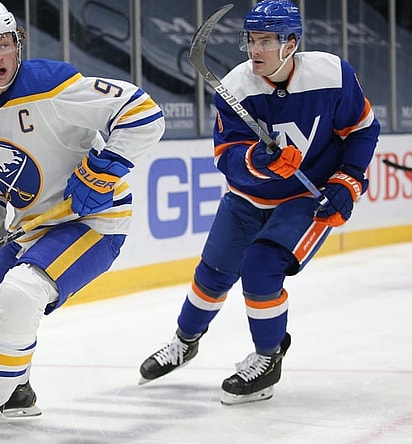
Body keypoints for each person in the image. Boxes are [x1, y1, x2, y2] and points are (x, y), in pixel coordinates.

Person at [138, 0, 379, 406]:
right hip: (248, 197)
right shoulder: (237, 85)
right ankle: (185, 341)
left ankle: (268, 358)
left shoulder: (333, 75)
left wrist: (348, 179)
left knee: (261, 266)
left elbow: (361, 129)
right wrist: (259, 161)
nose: (255, 50)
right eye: (251, 40)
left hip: (306, 196)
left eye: (266, 41)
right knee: (213, 272)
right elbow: (227, 156)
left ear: (291, 43)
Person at [0, 1, 165, 442]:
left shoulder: (51, 84)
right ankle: (17, 389)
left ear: (18, 44)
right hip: (32, 226)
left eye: (4, 44)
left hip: (94, 220)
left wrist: (103, 171)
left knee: (21, 292)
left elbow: (143, 113)